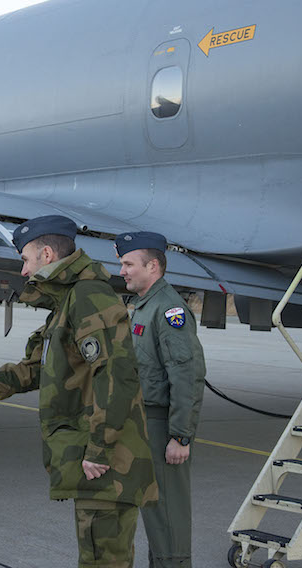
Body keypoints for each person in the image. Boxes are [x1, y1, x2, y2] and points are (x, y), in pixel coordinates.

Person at [0, 215, 158, 568]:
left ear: (46, 254)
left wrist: (99, 448)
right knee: (95, 557)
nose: (22, 270)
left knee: (105, 561)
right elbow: (34, 369)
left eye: (25, 259)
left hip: (108, 464)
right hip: (99, 461)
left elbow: (116, 375)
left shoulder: (88, 297)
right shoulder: (70, 301)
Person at [115, 232, 206, 568]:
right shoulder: (145, 305)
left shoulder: (169, 310)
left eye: (128, 263)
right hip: (143, 422)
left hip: (161, 425)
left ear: (152, 266)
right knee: (153, 510)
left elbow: (186, 374)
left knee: (167, 512)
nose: (122, 270)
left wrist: (180, 435)